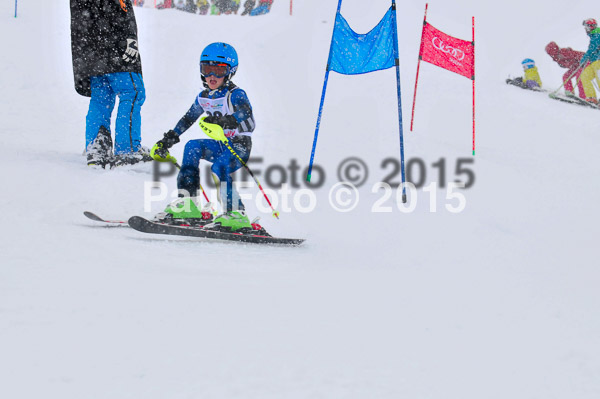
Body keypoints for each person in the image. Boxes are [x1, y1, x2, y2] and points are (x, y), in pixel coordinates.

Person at [150, 42, 257, 231]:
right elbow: (188, 118)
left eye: (219, 70)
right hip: (221, 144)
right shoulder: (204, 97)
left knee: (219, 166)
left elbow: (245, 111)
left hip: (239, 145)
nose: (212, 76)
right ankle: (188, 204)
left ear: (230, 72)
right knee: (192, 146)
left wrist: (230, 120)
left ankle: (236, 213)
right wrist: (169, 138)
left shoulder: (235, 94)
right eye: (207, 69)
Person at [70, 0, 149, 168]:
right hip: (116, 49)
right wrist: (129, 37)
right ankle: (127, 149)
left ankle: (97, 146)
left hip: (92, 50)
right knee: (132, 92)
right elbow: (119, 8)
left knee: (101, 97)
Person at [579, 18, 600, 105]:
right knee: (584, 76)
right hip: (594, 62)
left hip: (598, 61)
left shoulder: (597, 35)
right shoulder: (594, 35)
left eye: (586, 27)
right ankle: (591, 97)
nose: (585, 29)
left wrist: (583, 60)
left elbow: (592, 49)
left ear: (591, 27)